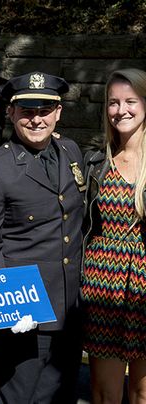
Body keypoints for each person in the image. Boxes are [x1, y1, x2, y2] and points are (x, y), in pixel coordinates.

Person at [0, 72, 84, 403]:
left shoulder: (71, 152)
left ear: (58, 112)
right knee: (17, 397)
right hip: (25, 313)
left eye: (45, 110)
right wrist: (9, 299)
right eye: (27, 111)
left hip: (70, 310)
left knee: (60, 396)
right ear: (11, 113)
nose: (36, 119)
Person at [81, 68, 146, 404]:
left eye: (130, 101)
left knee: (142, 392)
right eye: (113, 102)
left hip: (144, 284)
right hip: (102, 282)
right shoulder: (95, 162)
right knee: (105, 394)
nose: (121, 110)